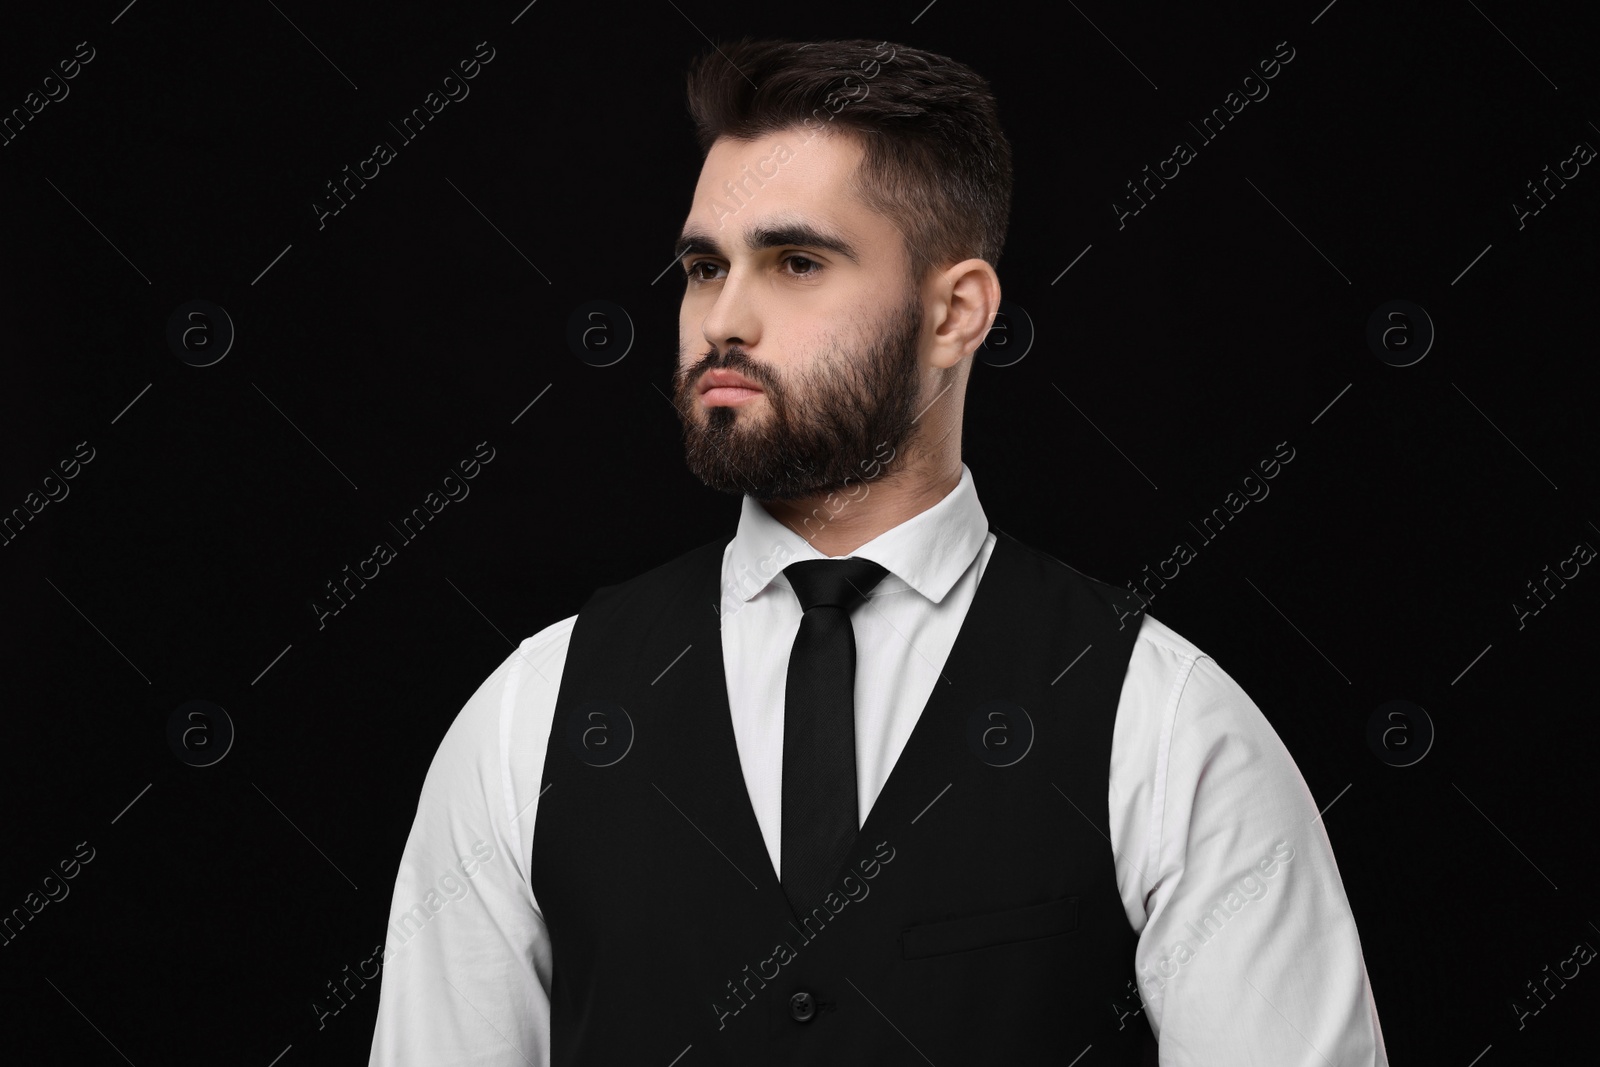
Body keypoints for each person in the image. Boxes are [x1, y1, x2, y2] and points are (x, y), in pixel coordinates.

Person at [367, 36, 1388, 1065]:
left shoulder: (1167, 724)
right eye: (703, 267)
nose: (723, 318)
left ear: (956, 312)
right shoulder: (529, 716)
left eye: (796, 262)